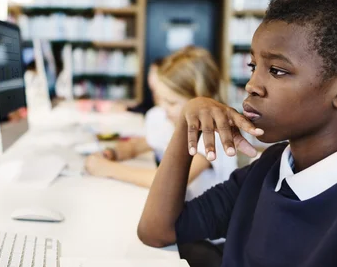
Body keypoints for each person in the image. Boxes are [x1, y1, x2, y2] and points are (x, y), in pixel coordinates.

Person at [138, 0, 337, 267]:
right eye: (253, 66)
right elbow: (157, 231)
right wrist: (186, 125)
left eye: (277, 71)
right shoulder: (269, 167)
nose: (252, 85)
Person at [85, 46, 236, 201]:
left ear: (200, 100)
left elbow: (168, 183)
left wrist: (108, 169)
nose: (163, 108)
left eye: (171, 102)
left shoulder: (213, 136)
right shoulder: (170, 120)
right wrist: (114, 153)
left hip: (209, 220)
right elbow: (139, 145)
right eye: (160, 98)